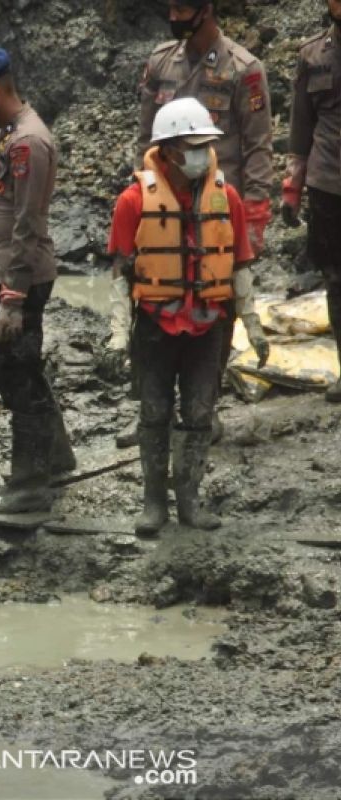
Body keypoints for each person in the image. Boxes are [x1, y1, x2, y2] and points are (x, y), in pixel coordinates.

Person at [107, 97, 264, 536]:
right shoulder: (133, 201)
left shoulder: (225, 197)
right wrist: (118, 335)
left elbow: (240, 266)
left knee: (199, 414)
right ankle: (154, 503)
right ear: (170, 149)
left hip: (208, 325)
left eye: (203, 145)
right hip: (156, 326)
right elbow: (120, 275)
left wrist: (253, 326)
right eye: (191, 145)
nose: (200, 153)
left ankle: (190, 501)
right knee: (153, 415)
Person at [129, 0, 275, 447]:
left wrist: (253, 220)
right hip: (165, 206)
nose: (175, 15)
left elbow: (257, 149)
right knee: (152, 305)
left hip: (217, 211)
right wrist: (137, 196)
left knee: (217, 309)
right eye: (171, 6)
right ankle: (149, 413)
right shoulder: (160, 63)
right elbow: (144, 137)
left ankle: (203, 409)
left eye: (184, 6)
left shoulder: (243, 70)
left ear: (207, 9)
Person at [0, 47, 76, 514]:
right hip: (4, 272)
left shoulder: (29, 142)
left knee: (16, 372)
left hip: (16, 276)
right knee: (6, 365)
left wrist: (13, 296)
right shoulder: (10, 135)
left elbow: (28, 222)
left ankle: (29, 484)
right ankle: (56, 457)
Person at [284, 2, 341, 402]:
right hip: (329, 185)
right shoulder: (312, 56)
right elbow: (301, 125)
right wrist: (292, 186)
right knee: (336, 280)